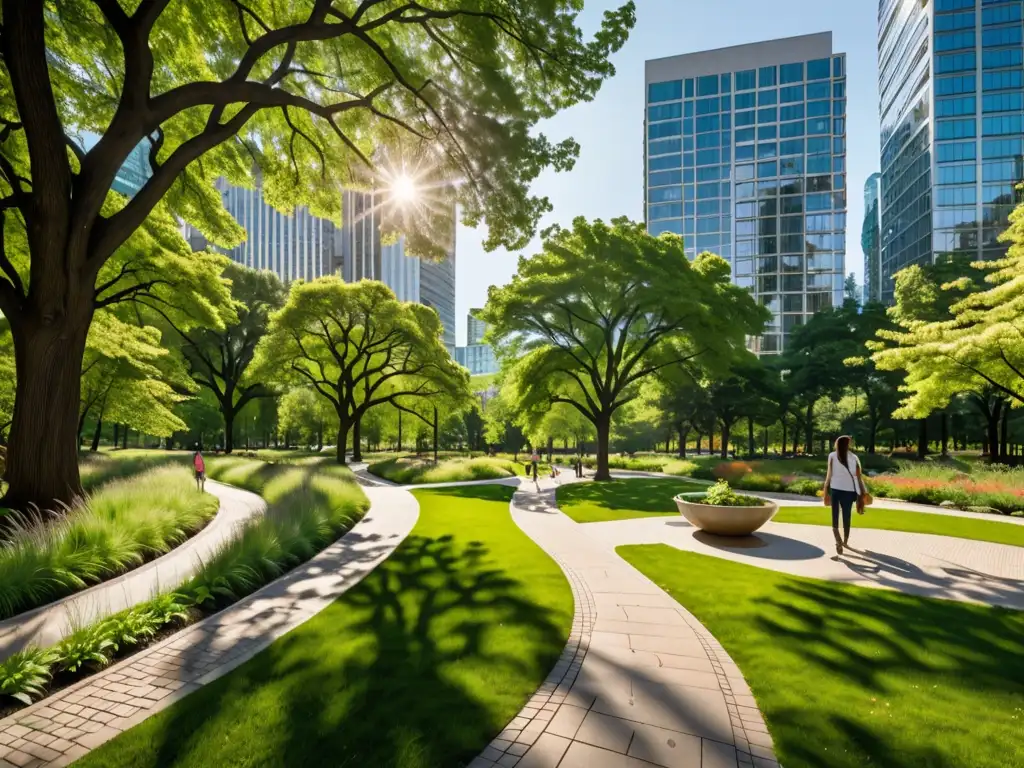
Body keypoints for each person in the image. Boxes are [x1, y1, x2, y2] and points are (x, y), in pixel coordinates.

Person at [823, 435, 865, 555]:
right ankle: (845, 541)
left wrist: (825, 489)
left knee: (835, 515)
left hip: (835, 489)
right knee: (846, 516)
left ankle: (838, 540)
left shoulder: (832, 456)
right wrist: (862, 492)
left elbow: (829, 475)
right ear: (848, 444)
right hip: (850, 491)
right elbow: (858, 476)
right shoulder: (854, 457)